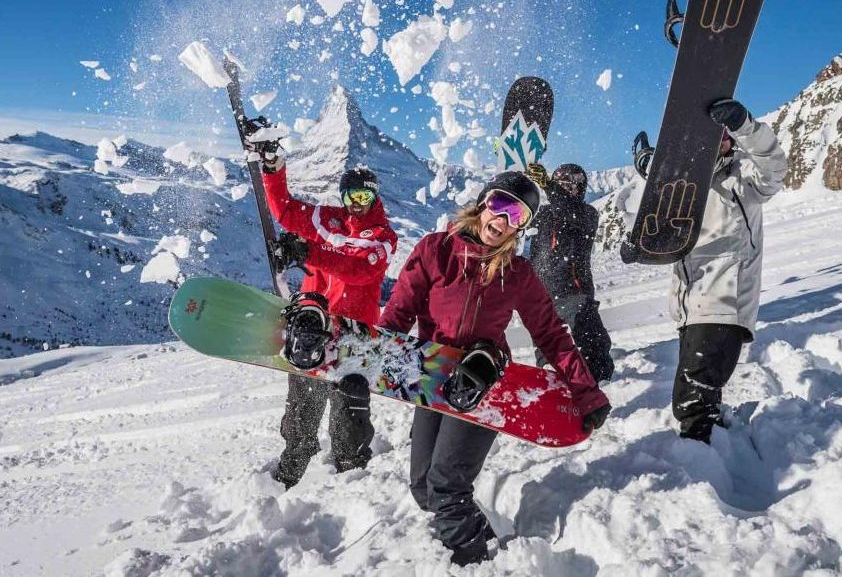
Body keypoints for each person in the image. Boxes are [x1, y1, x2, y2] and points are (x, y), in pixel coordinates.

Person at [379, 171, 611, 565]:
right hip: (433, 378)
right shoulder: (436, 250)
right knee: (423, 488)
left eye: (517, 216)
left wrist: (586, 392)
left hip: (483, 382)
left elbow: (552, 335)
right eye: (500, 206)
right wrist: (368, 362)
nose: (503, 221)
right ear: (483, 204)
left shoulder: (517, 273)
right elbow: (398, 313)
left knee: (446, 487)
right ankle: (492, 543)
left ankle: (478, 565)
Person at [632, 98, 787, 444]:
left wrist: (745, 125)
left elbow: (774, 168)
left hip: (724, 304)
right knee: (696, 394)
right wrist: (639, 248)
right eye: (711, 137)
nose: (720, 142)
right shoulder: (684, 188)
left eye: (725, 136)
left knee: (693, 402)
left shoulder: (743, 178)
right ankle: (719, 445)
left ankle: (701, 468)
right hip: (690, 308)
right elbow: (665, 237)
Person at [260, 153, 398, 487]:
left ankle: (350, 481)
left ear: (375, 196)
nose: (357, 204)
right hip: (315, 328)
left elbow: (359, 271)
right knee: (301, 415)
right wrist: (272, 169)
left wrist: (309, 252)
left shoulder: (383, 237)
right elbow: (285, 211)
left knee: (348, 421)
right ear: (343, 196)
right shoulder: (328, 221)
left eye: (364, 196)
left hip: (355, 336)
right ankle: (284, 480)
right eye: (351, 196)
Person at [524, 162, 615, 381]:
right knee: (547, 345)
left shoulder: (586, 214)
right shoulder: (543, 214)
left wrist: (549, 186)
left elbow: (567, 211)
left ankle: (601, 377)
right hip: (542, 292)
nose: (570, 190)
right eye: (564, 185)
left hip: (575, 289)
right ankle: (551, 378)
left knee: (589, 333)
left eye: (575, 185)